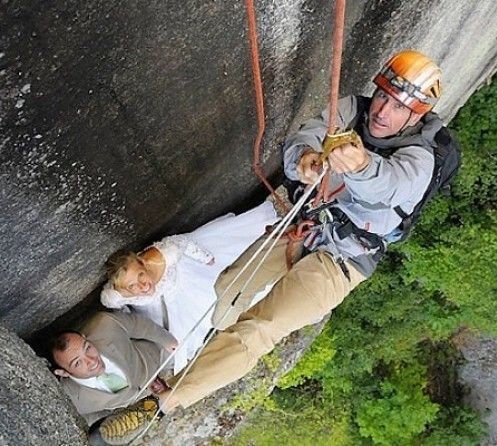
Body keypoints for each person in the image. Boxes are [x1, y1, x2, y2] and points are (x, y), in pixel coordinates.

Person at [143, 50, 451, 417]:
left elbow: (388, 187)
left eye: (398, 107)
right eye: (383, 96)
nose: (382, 112)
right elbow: (305, 135)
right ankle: (216, 345)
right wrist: (304, 158)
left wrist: (362, 165)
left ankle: (164, 402)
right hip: (304, 226)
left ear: (416, 115)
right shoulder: (353, 108)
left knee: (261, 328)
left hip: (345, 261)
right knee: (228, 290)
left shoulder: (420, 158)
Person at [99, 201, 278, 375]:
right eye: (133, 286)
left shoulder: (161, 256)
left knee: (218, 294)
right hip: (166, 312)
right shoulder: (118, 294)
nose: (143, 285)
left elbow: (182, 243)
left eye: (141, 275)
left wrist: (206, 258)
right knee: (178, 341)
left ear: (143, 263)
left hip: (188, 283)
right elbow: (110, 301)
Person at [50, 311, 177, 427]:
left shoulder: (106, 324)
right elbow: (82, 420)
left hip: (156, 359)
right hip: (132, 404)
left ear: (85, 337)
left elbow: (137, 324)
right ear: (64, 373)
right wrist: (108, 414)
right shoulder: (72, 400)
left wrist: (166, 340)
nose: (92, 361)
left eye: (87, 348)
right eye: (77, 363)